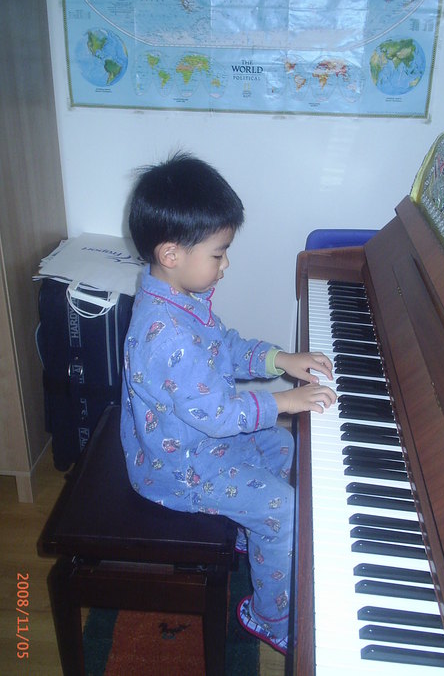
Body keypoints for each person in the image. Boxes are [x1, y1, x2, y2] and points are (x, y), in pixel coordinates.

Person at [120, 152, 336, 655]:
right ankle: (268, 616)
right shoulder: (166, 335)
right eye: (218, 255)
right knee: (285, 508)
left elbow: (226, 348)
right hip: (179, 468)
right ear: (171, 254)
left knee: (282, 446)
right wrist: (287, 399)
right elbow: (220, 416)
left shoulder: (180, 299)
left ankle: (250, 530)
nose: (225, 265)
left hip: (199, 440)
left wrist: (280, 358)